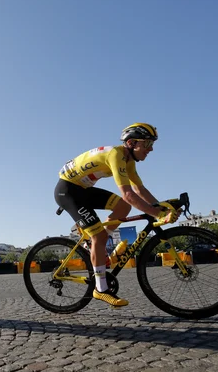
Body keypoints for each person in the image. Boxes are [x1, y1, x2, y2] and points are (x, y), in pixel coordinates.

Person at [54, 123, 180, 307]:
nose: (150, 149)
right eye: (147, 144)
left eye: (152, 145)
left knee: (122, 208)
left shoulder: (128, 160)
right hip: (67, 191)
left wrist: (161, 207)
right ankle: (100, 289)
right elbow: (128, 194)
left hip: (82, 189)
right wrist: (156, 213)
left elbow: (138, 188)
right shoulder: (116, 155)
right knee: (100, 236)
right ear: (131, 142)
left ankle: (93, 242)